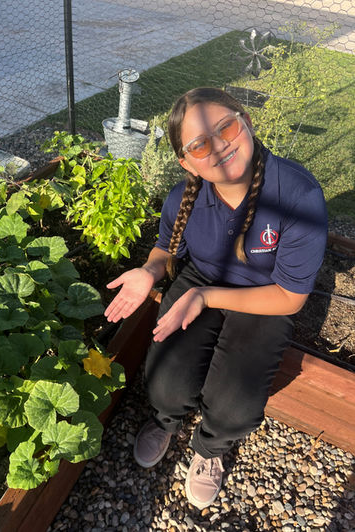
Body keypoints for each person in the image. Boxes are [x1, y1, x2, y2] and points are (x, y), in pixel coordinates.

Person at [104, 87, 327, 510]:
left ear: (246, 121)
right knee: (165, 381)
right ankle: (167, 420)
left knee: (235, 403)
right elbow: (166, 248)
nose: (221, 145)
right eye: (201, 144)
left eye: (226, 126)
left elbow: (291, 297)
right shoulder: (183, 199)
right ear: (187, 162)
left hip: (265, 296)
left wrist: (206, 298)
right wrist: (149, 273)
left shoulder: (297, 197)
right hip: (201, 279)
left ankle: (210, 448)